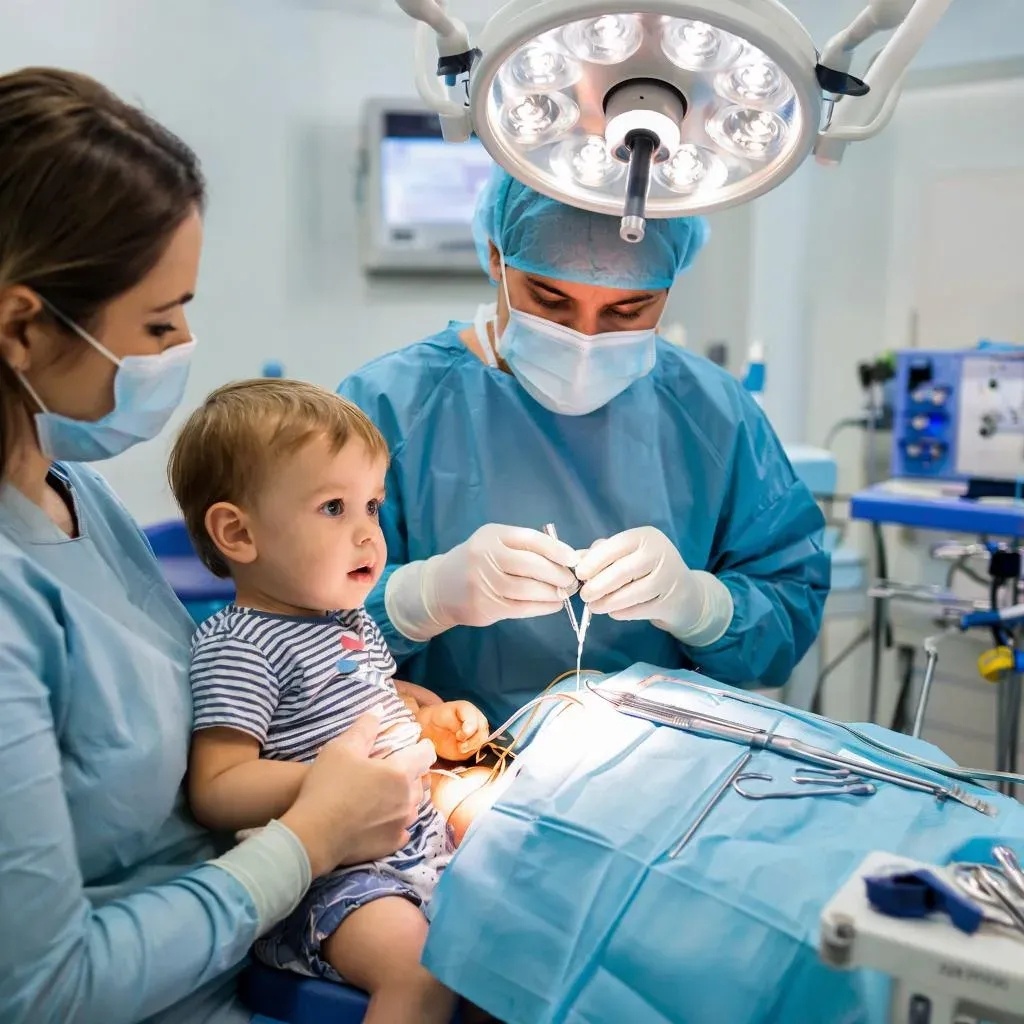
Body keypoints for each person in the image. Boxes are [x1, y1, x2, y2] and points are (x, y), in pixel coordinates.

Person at [0, 68, 435, 1024]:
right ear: (23, 328)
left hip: (242, 960)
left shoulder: (79, 497)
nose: (181, 345)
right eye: (158, 322)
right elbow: (41, 991)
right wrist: (312, 838)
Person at [338, 166, 832, 725]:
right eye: (550, 300)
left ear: (669, 288)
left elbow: (787, 607)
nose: (585, 339)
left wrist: (702, 606)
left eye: (628, 310)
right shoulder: (388, 407)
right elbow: (291, 628)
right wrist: (418, 599)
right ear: (498, 259)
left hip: (655, 758)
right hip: (452, 761)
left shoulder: (714, 413)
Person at [167, 379, 491, 1024]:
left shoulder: (348, 623)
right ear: (238, 532)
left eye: (372, 506)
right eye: (334, 508)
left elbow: (369, 707)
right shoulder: (240, 645)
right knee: (421, 971)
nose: (368, 533)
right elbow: (217, 788)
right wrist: (333, 786)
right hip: (330, 878)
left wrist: (429, 724)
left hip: (417, 844)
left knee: (504, 952)